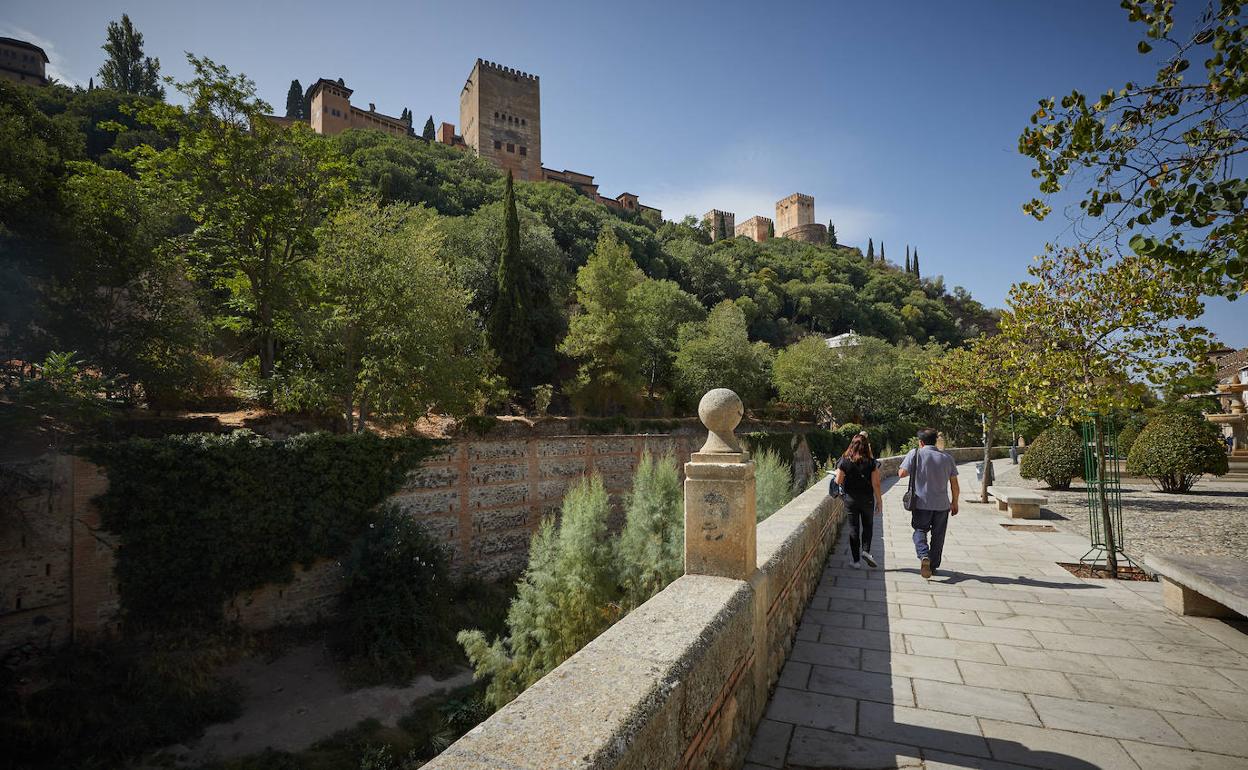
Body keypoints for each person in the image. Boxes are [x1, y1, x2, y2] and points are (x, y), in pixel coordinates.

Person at [898, 428, 960, 579]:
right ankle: (932, 566)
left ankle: (924, 555)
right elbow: (954, 485)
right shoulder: (947, 458)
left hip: (921, 503)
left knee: (919, 530)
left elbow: (901, 473)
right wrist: (955, 502)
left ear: (921, 442)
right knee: (938, 536)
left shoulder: (915, 453)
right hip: (942, 505)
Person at [835, 434, 883, 569]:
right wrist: (879, 501)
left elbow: (838, 480)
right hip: (867, 499)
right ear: (866, 446)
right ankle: (866, 551)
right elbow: (876, 484)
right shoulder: (871, 462)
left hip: (850, 500)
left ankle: (855, 561)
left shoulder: (844, 461)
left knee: (853, 529)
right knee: (868, 526)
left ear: (852, 444)